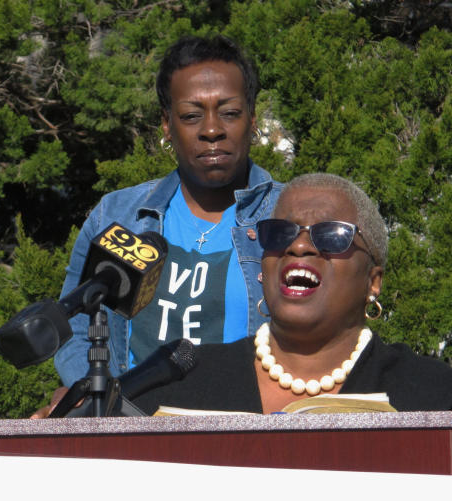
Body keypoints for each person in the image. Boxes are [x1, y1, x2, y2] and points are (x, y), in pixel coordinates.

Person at [54, 35, 283, 388]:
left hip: (246, 429)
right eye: (191, 115)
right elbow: (74, 327)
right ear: (166, 124)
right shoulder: (117, 215)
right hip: (134, 430)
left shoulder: (288, 216)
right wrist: (95, 397)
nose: (211, 130)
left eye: (230, 113)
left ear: (252, 118)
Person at [131, 173, 452, 415]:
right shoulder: (181, 384)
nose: (298, 246)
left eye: (331, 235)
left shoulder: (434, 394)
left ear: (373, 281)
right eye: (279, 233)